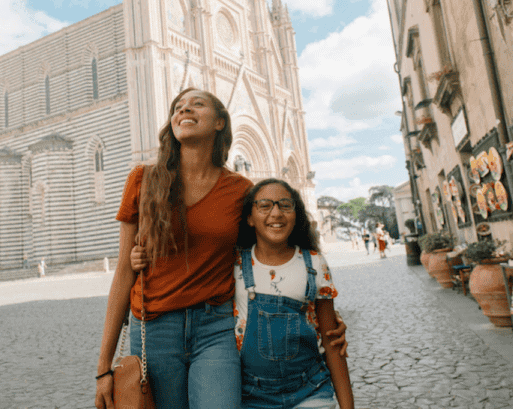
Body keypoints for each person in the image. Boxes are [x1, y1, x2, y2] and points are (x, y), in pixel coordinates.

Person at [97, 88, 347, 409]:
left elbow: (271, 255)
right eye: (177, 107)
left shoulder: (241, 191)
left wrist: (325, 317)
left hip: (216, 328)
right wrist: (103, 366)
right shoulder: (142, 180)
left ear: (219, 123)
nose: (183, 110)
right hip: (154, 328)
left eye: (196, 104)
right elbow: (123, 271)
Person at [234, 179, 354, 409]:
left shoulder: (315, 264)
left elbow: (332, 342)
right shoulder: (235, 266)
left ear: (296, 215)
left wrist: (348, 406)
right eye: (265, 205)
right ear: (250, 218)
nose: (276, 213)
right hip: (251, 398)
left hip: (310, 391)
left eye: (285, 205)